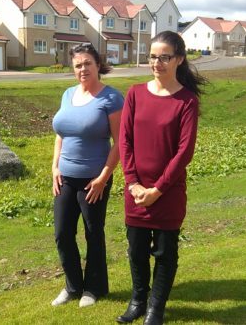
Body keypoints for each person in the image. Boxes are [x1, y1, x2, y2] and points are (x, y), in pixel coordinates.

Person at [117, 31, 206, 324]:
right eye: (153, 56)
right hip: (136, 192)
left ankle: (156, 308)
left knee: (165, 254)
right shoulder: (134, 93)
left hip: (167, 193)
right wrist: (133, 184)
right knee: (137, 251)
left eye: (164, 57)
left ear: (178, 60)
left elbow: (184, 153)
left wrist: (157, 189)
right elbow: (125, 140)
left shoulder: (187, 101)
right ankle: (138, 301)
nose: (157, 63)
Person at [51, 43, 124, 308]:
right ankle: (72, 286)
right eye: (78, 65)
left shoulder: (112, 98)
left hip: (94, 179)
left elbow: (120, 142)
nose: (83, 69)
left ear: (98, 64)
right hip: (65, 177)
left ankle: (94, 288)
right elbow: (61, 134)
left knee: (93, 233)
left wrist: (104, 177)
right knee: (62, 234)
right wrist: (54, 167)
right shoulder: (68, 94)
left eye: (87, 64)